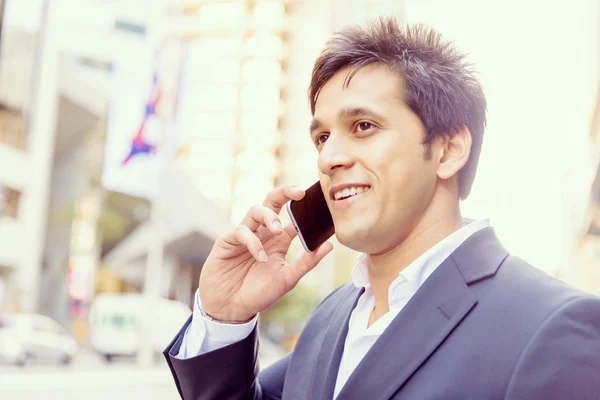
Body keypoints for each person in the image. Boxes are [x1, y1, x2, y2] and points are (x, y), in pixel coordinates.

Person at [164, 17, 600, 400]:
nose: (329, 157)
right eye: (322, 137)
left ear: (448, 150)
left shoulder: (554, 328)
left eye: (363, 126)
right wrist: (226, 316)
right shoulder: (329, 320)